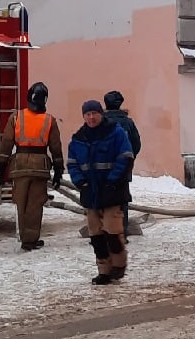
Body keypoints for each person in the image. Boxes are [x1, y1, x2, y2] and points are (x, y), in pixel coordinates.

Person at [68, 99, 134, 285]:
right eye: (87, 114)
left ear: (101, 113)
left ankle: (119, 266)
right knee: (96, 236)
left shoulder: (116, 133)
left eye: (94, 113)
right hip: (91, 193)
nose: (91, 117)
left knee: (113, 233)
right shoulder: (78, 139)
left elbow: (126, 157)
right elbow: (72, 163)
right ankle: (104, 271)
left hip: (112, 190)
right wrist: (81, 182)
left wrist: (113, 181)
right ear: (83, 117)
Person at [0, 81, 64, 251]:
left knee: (21, 202)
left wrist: (0, 168)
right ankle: (31, 239)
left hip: (19, 165)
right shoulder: (50, 120)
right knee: (35, 203)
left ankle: (24, 236)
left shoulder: (16, 117)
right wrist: (58, 171)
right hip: (40, 167)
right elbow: (56, 148)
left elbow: (6, 145)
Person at [102, 90, 141, 235]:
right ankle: (120, 233)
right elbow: (136, 144)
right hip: (123, 168)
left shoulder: (99, 122)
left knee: (103, 199)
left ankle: (105, 231)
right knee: (122, 199)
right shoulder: (128, 123)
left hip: (102, 169)